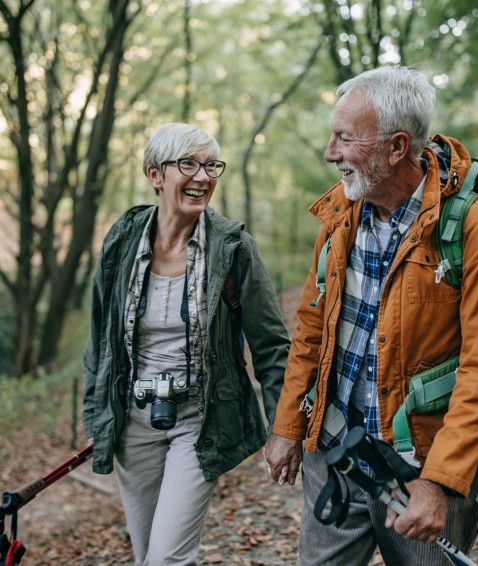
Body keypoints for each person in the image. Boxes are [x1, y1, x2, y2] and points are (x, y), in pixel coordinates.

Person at [263, 66, 478, 565]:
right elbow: (312, 328)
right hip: (334, 450)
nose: (330, 153)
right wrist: (289, 424)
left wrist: (440, 483)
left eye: (344, 139)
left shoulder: (473, 225)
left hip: (419, 467)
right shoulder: (340, 211)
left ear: (397, 148)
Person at [83, 122, 290, 565]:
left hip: (199, 419)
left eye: (211, 166)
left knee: (167, 560)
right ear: (155, 174)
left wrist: (284, 427)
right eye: (188, 164)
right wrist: (95, 412)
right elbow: (99, 337)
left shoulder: (233, 248)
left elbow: (272, 345)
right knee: (146, 556)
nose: (202, 177)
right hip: (132, 421)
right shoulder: (122, 241)